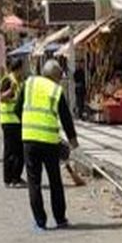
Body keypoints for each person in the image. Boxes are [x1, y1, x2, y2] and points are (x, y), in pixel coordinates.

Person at [15, 59, 79, 230]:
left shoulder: (28, 84)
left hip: (29, 140)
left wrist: (27, 123)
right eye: (59, 77)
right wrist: (73, 141)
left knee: (34, 181)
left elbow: (16, 109)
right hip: (50, 142)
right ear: (55, 76)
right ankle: (60, 219)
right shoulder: (56, 90)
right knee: (55, 181)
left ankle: (40, 221)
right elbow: (66, 118)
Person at [0, 59, 27, 188]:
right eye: (22, 68)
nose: (23, 71)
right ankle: (8, 178)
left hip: (19, 121)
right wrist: (11, 91)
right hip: (9, 121)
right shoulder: (8, 80)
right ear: (18, 69)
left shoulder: (20, 81)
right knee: (10, 151)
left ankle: (17, 177)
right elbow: (2, 98)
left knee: (20, 151)